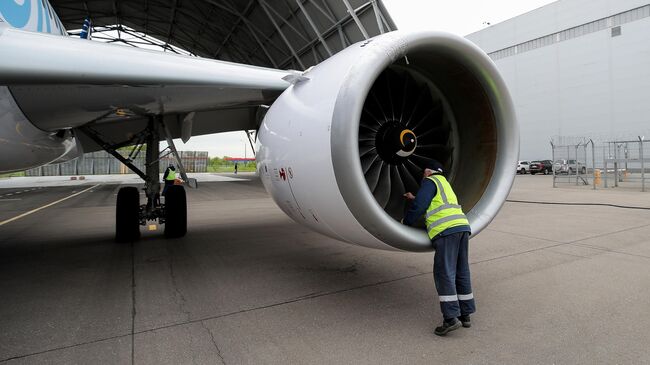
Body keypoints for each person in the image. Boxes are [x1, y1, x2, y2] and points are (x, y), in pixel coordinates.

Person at [402, 159, 475, 336]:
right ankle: (465, 314)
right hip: (462, 228)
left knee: (444, 273)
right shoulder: (445, 184)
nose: (422, 176)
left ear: (428, 172)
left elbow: (421, 205)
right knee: (461, 271)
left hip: (445, 231)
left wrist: (407, 222)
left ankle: (450, 318)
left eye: (423, 173)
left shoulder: (430, 181)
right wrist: (415, 197)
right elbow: (436, 203)